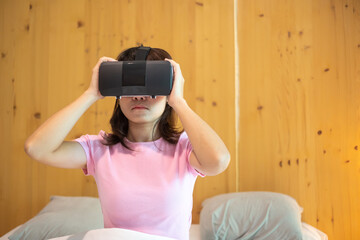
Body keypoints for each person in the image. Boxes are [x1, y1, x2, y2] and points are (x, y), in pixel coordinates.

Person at [24, 46, 230, 240]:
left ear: (168, 89)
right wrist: (91, 94)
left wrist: (178, 101)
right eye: (129, 87)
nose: (139, 96)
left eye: (150, 87)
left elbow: (218, 161)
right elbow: (37, 148)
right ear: (117, 95)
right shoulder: (99, 149)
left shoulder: (184, 149)